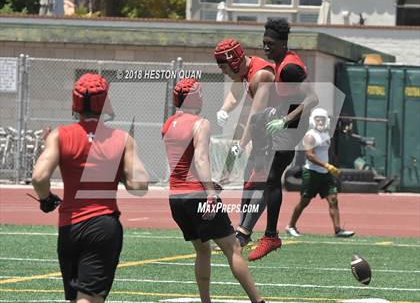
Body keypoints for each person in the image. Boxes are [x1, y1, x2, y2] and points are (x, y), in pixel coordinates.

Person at [31, 73, 149, 303]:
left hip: (70, 227)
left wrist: (46, 199)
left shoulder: (60, 135)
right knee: (89, 299)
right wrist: (117, 169)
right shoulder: (122, 138)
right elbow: (139, 185)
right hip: (103, 226)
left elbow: (38, 177)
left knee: (77, 298)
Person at [162, 78, 265, 303]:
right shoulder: (200, 123)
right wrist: (209, 191)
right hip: (197, 194)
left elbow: (182, 162)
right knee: (233, 248)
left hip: (176, 197)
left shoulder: (168, 124)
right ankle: (258, 302)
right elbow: (199, 158)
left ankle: (205, 301)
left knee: (202, 251)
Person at [247, 18, 318, 261]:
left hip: (294, 125)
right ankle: (258, 168)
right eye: (264, 43)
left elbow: (312, 99)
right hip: (286, 116)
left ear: (283, 43)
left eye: (271, 43)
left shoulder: (289, 68)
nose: (266, 47)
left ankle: (271, 236)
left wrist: (285, 121)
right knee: (257, 121)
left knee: (272, 178)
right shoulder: (279, 62)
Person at [214, 38, 275, 247]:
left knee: (262, 180)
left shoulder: (261, 75)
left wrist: (241, 144)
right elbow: (235, 93)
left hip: (280, 129)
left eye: (223, 66)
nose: (222, 71)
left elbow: (256, 115)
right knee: (250, 179)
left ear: (233, 62)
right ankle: (241, 231)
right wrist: (224, 109)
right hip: (265, 127)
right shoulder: (244, 71)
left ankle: (244, 233)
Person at [285, 108, 355, 238]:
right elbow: (310, 156)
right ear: (313, 120)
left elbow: (327, 154)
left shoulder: (326, 135)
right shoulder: (310, 136)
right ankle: (291, 226)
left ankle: (338, 230)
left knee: (333, 199)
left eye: (322, 119)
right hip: (311, 173)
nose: (320, 121)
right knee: (304, 202)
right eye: (317, 118)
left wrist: (332, 166)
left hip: (325, 173)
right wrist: (327, 165)